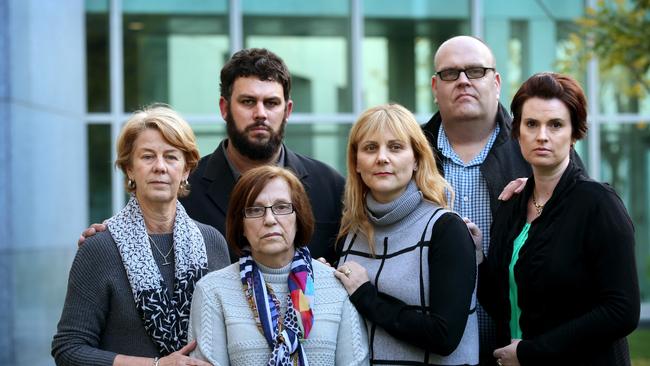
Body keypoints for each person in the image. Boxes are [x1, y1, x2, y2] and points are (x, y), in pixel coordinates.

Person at [79, 48, 345, 264]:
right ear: (224, 108)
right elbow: (141, 236)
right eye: (248, 102)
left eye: (271, 103)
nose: (261, 114)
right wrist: (107, 242)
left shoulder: (330, 187)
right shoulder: (183, 188)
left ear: (287, 110)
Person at [422, 35, 581, 365]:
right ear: (435, 88)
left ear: (496, 83)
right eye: (450, 74)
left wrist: (547, 186)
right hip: (427, 344)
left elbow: (586, 223)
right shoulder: (409, 153)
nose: (463, 81)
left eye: (475, 71)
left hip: (519, 346)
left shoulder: (542, 151)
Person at [478, 72, 640, 366]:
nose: (542, 136)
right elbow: (499, 301)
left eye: (555, 125)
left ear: (574, 133)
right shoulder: (512, 204)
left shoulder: (599, 205)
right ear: (517, 132)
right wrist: (476, 253)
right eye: (531, 124)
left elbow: (622, 311)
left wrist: (531, 352)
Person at [52, 105, 231, 366]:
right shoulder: (100, 248)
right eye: (148, 157)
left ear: (187, 170)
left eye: (171, 157)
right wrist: (156, 365)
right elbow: (68, 350)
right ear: (130, 169)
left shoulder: (212, 242)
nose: (160, 167)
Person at [335, 103, 479, 365]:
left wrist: (366, 295)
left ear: (416, 159)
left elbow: (444, 337)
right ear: (356, 162)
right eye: (370, 148)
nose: (382, 158)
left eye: (395, 147)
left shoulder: (446, 229)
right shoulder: (349, 232)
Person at [188, 165, 369, 365]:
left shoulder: (336, 287)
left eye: (281, 207)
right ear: (241, 226)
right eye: (255, 210)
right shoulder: (213, 291)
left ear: (298, 217)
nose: (269, 219)